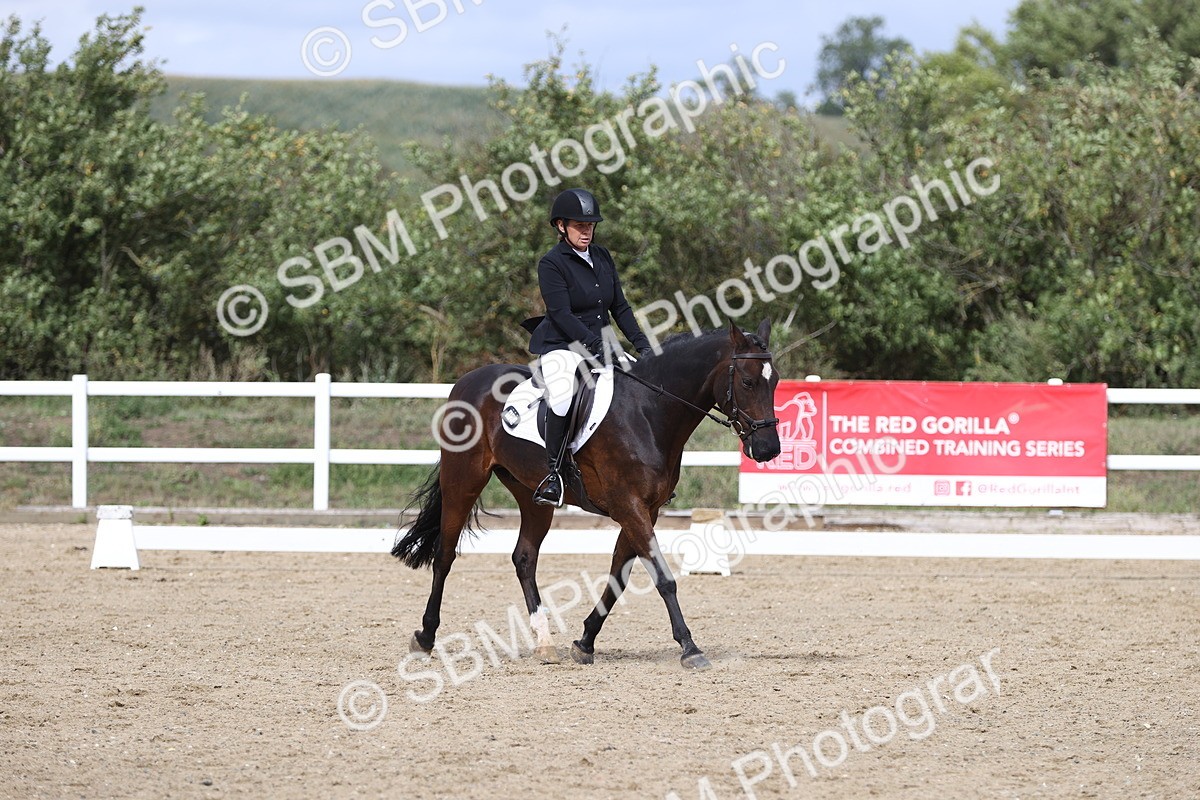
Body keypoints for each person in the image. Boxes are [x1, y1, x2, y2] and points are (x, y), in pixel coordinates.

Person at [524, 188, 654, 507]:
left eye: (591, 225)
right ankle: (553, 475)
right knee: (563, 396)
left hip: (601, 344)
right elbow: (561, 314)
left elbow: (620, 307)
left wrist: (643, 347)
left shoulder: (602, 256)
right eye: (579, 225)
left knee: (639, 389)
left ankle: (645, 470)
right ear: (560, 226)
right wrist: (597, 346)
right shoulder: (551, 263)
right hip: (563, 345)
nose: (587, 231)